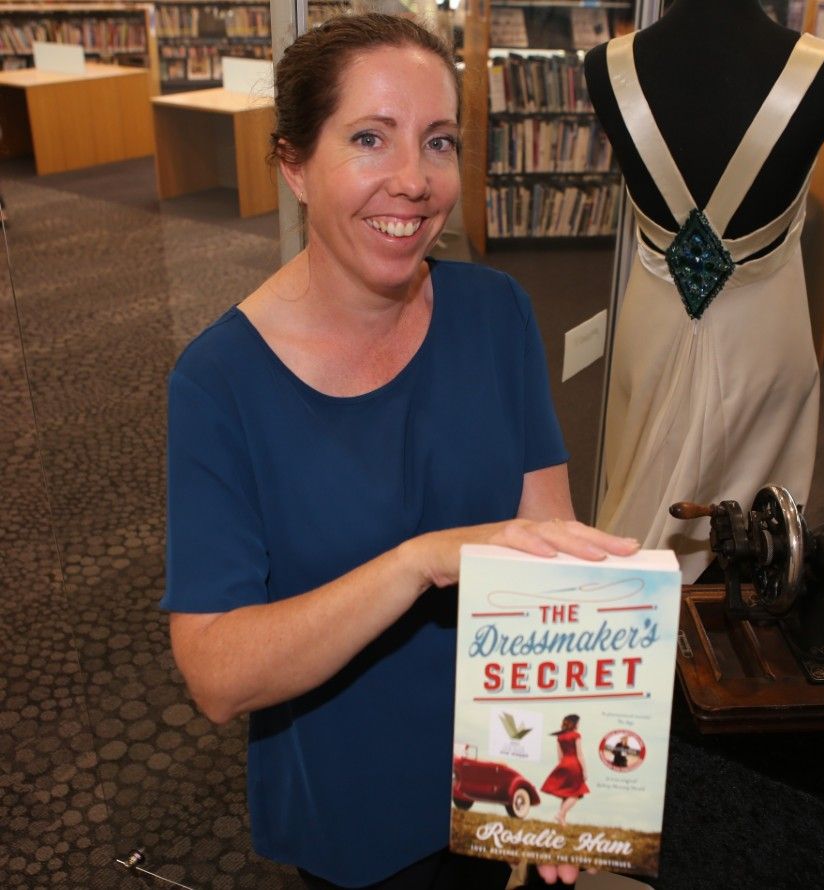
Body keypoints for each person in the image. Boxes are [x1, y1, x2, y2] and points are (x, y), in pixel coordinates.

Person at [161, 14, 638, 890]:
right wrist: (418, 563)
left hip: (509, 780)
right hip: (356, 812)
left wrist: (570, 786)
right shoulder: (219, 381)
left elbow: (550, 561)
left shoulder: (497, 313)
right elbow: (217, 676)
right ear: (295, 163)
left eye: (440, 141)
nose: (414, 182)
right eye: (370, 138)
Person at [585, 0, 824, 581]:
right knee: (736, 546)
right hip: (761, 338)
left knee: (746, 541)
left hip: (664, 329)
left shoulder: (612, 65)